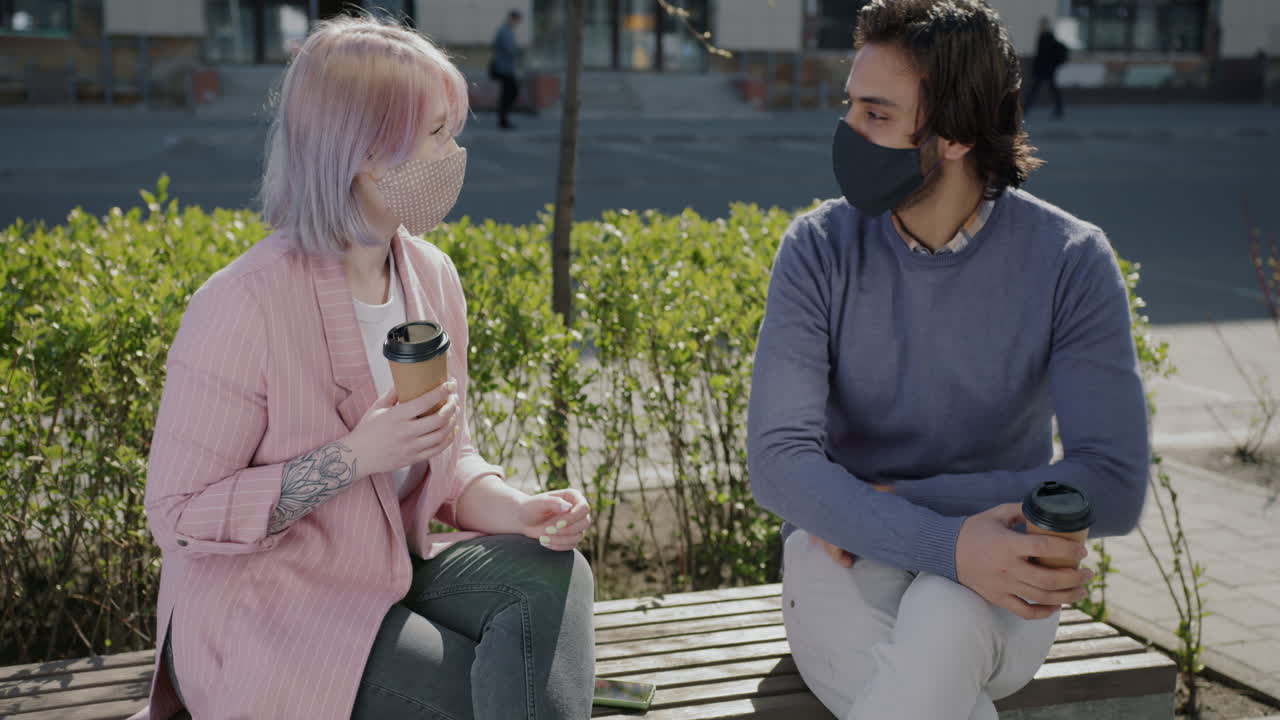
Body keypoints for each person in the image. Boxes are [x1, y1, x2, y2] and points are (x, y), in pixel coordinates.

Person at [130, 15, 595, 720]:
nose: (455, 151)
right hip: (268, 611)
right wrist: (350, 458)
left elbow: (448, 459)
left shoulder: (431, 276)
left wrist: (520, 510)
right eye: (438, 132)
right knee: (497, 693)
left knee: (551, 569)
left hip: (386, 571)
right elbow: (177, 516)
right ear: (366, 150)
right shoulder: (240, 303)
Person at [747, 2, 1149, 719]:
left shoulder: (1070, 262)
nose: (848, 133)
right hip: (840, 555)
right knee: (940, 643)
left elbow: (1113, 482)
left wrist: (911, 509)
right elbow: (779, 461)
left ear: (957, 133)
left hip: (1003, 556)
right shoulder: (817, 248)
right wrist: (943, 540)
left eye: (876, 114)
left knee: (944, 607)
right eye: (851, 108)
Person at [1025, 16, 1069, 118]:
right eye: (1041, 25)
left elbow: (1045, 56)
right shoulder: (1042, 36)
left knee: (1038, 90)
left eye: (1043, 25)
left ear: (1046, 26)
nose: (1041, 27)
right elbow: (1040, 55)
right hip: (1043, 69)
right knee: (1038, 90)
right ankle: (1059, 109)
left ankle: (1059, 109)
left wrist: (1044, 66)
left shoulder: (1048, 37)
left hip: (1046, 70)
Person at [491, 9, 522, 130]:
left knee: (508, 93)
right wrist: (519, 52)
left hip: (506, 67)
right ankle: (503, 120)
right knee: (511, 93)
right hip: (504, 68)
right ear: (512, 18)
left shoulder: (507, 30)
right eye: (516, 19)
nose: (517, 22)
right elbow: (509, 50)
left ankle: (503, 120)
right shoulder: (505, 31)